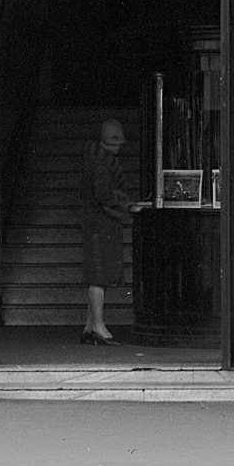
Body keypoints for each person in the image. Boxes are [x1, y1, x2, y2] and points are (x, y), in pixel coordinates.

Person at [81, 116, 137, 346]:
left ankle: (90, 325)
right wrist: (125, 203)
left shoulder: (96, 159)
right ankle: (98, 326)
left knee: (98, 274)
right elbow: (104, 194)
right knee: (100, 275)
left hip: (97, 221)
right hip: (102, 222)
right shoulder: (102, 163)